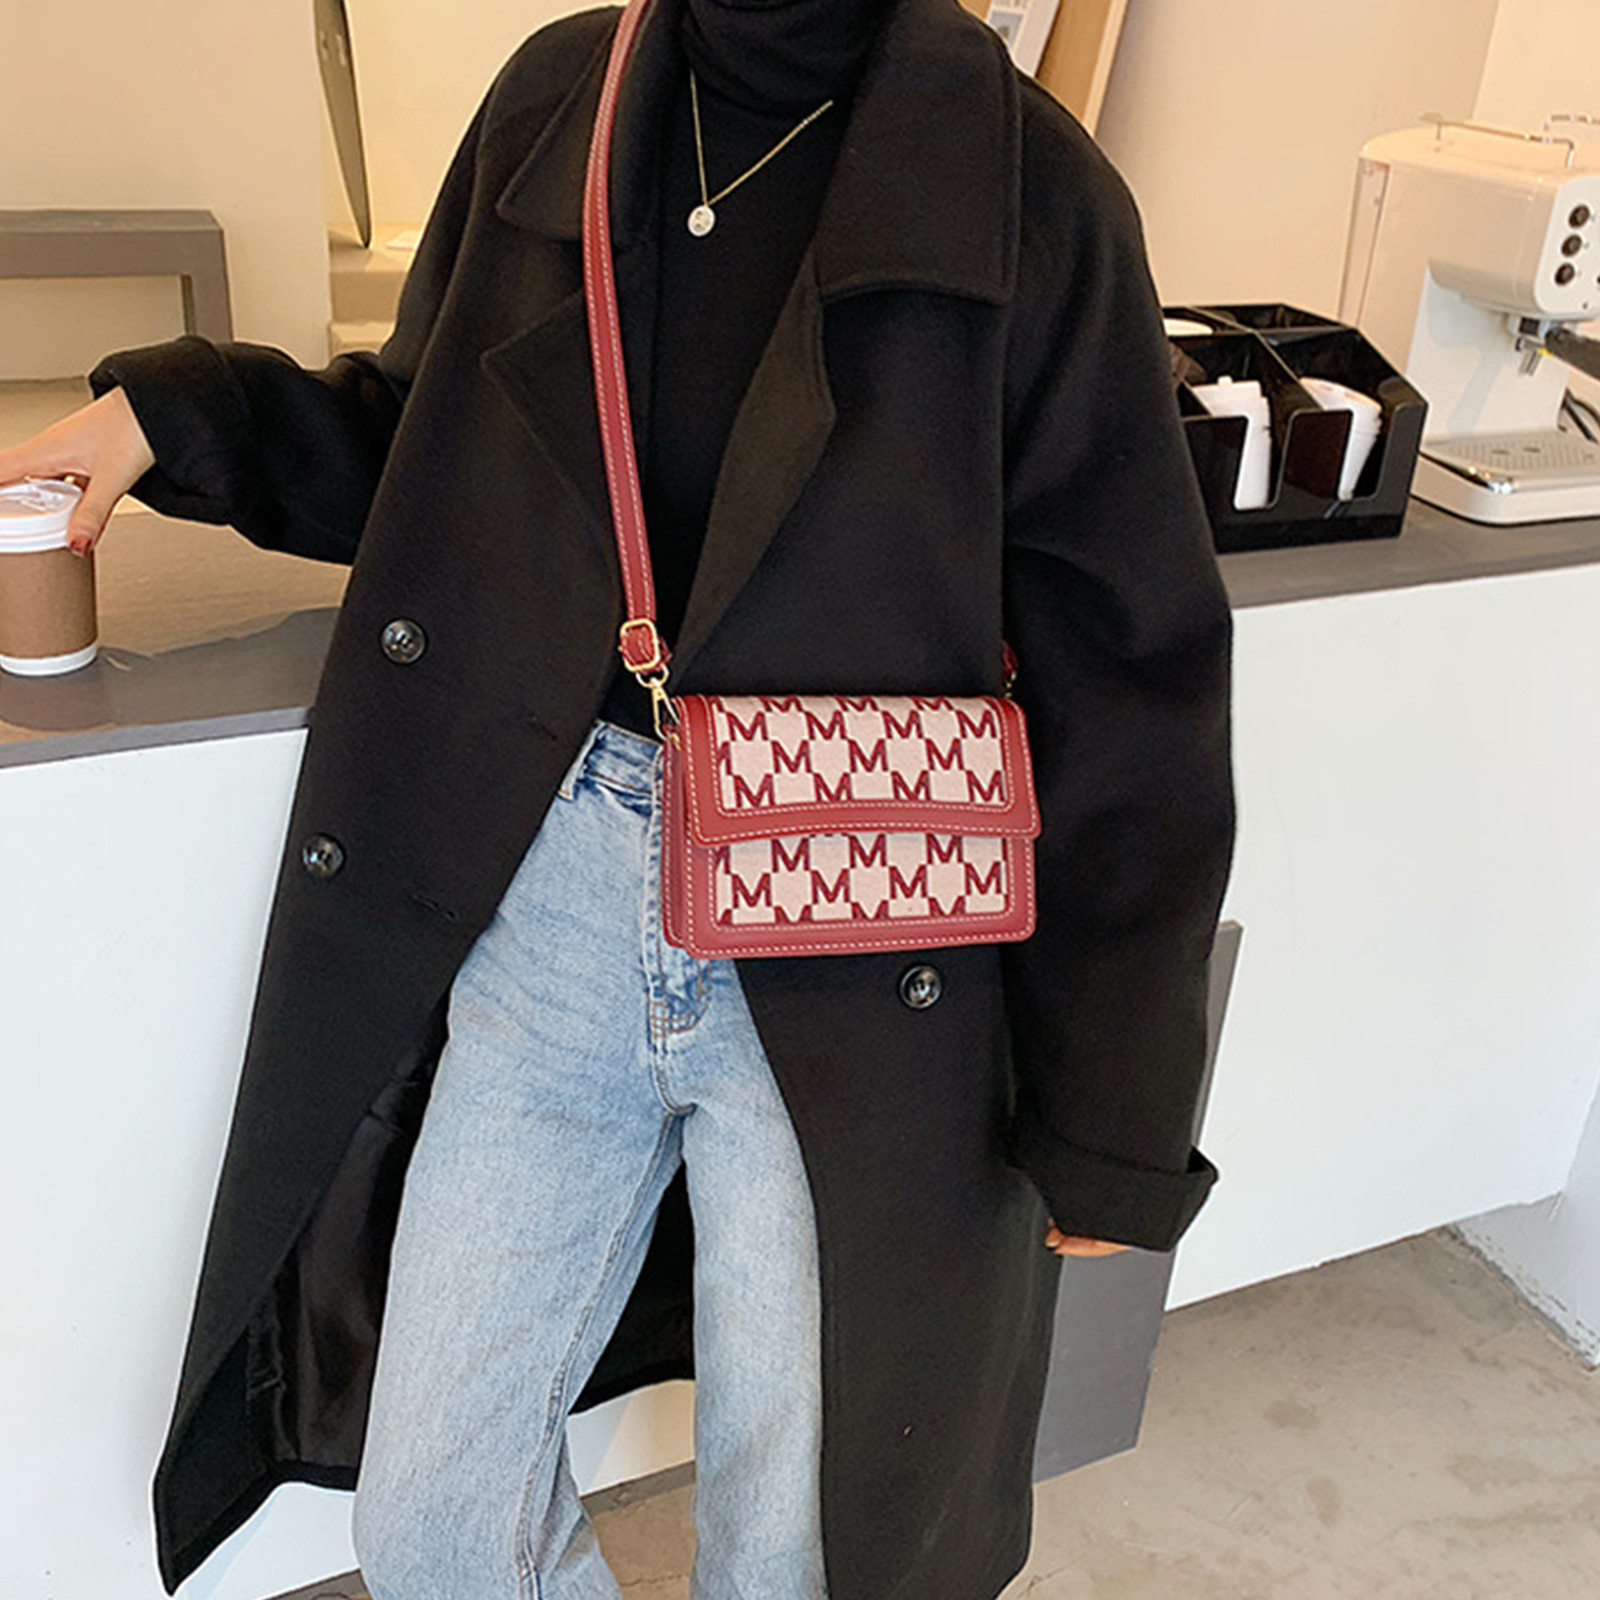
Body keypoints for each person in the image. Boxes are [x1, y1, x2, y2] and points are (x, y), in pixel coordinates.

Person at [0, 0, 1235, 1595]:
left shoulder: (1028, 186)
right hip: (560, 891)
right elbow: (435, 449)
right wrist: (177, 417)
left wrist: (1114, 1109)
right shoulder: (563, 100)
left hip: (856, 941)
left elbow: (1125, 656)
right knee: (434, 1517)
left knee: (798, 1549)